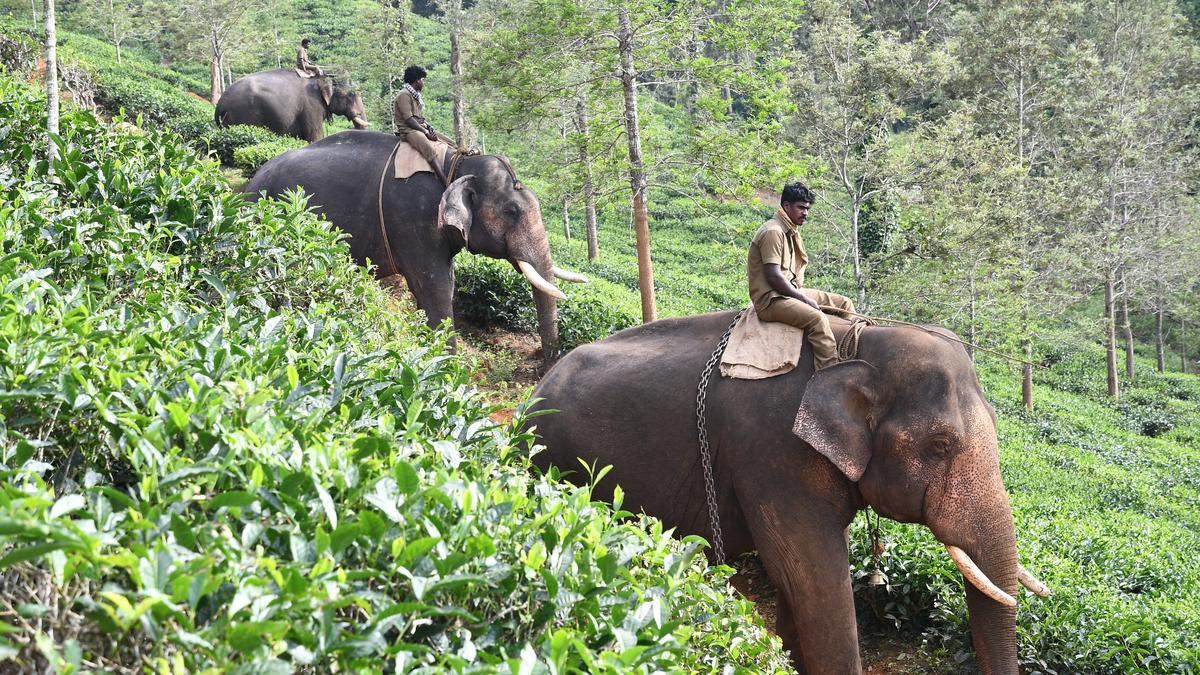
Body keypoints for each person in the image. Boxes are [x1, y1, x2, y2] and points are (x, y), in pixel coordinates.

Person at [747, 182, 856, 371]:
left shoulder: (789, 231)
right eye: (801, 207)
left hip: (788, 292)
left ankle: (855, 350)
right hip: (772, 300)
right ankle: (828, 373)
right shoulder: (773, 231)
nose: (805, 212)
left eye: (807, 208)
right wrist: (803, 299)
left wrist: (801, 295)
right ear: (786, 206)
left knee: (844, 303)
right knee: (817, 319)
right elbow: (774, 277)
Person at [393, 65, 452, 184]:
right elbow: (409, 119)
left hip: (419, 127)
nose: (423, 83)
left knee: (448, 141)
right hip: (409, 131)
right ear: (417, 80)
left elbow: (419, 117)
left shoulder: (415, 96)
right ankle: (445, 181)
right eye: (422, 80)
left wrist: (428, 126)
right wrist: (425, 132)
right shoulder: (404, 95)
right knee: (428, 148)